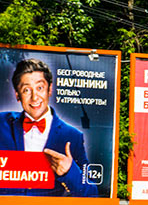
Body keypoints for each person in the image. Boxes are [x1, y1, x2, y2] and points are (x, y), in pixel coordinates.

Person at [0, 58, 93, 197]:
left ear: (49, 90)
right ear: (17, 95)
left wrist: (70, 171)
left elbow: (91, 193)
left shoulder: (72, 136)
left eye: (40, 88)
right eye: (26, 90)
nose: (34, 97)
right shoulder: (2, 123)